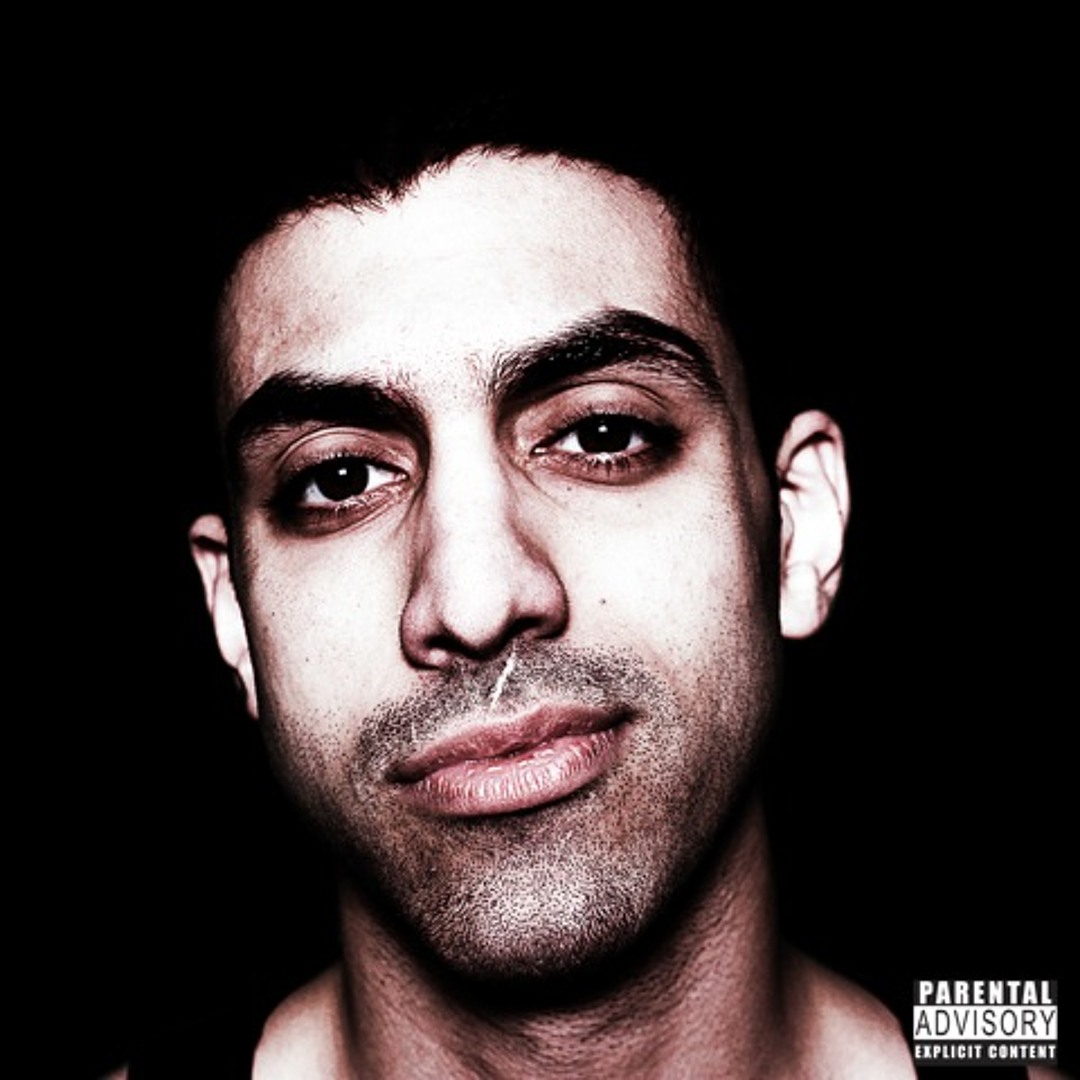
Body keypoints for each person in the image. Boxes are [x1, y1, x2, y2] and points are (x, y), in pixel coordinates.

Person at [111, 89, 1047, 1078]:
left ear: (797, 528)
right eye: (339, 479)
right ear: (233, 612)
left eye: (602, 434)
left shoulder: (999, 1049)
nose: (475, 603)